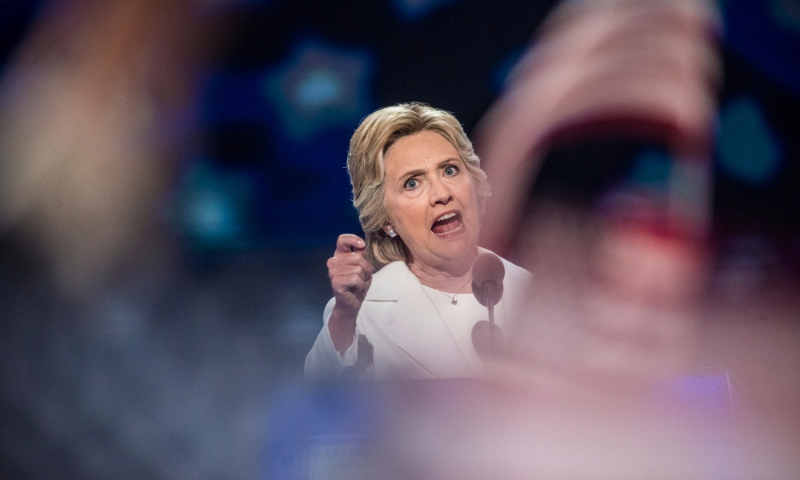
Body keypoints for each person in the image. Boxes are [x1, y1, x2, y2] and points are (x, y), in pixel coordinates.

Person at [305, 103, 533, 380]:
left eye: (449, 170)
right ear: (385, 219)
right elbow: (320, 394)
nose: (441, 193)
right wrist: (343, 318)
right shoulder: (361, 313)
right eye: (412, 183)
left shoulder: (535, 293)